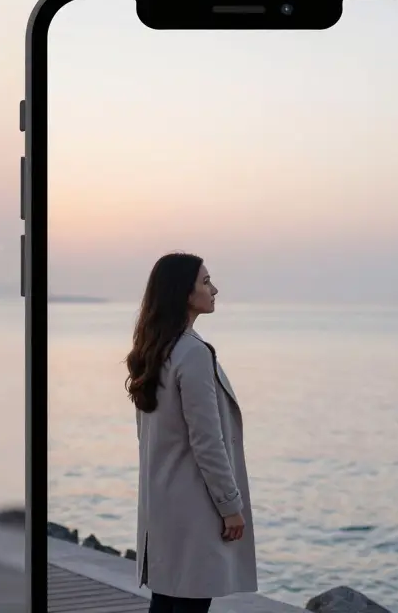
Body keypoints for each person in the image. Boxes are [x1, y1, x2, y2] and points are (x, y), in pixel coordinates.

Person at [127, 252, 257, 613]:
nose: (214, 289)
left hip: (162, 505)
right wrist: (231, 507)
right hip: (194, 509)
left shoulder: (154, 351)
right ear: (184, 292)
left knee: (167, 604)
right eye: (205, 281)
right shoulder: (193, 353)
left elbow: (147, 438)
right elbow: (207, 442)